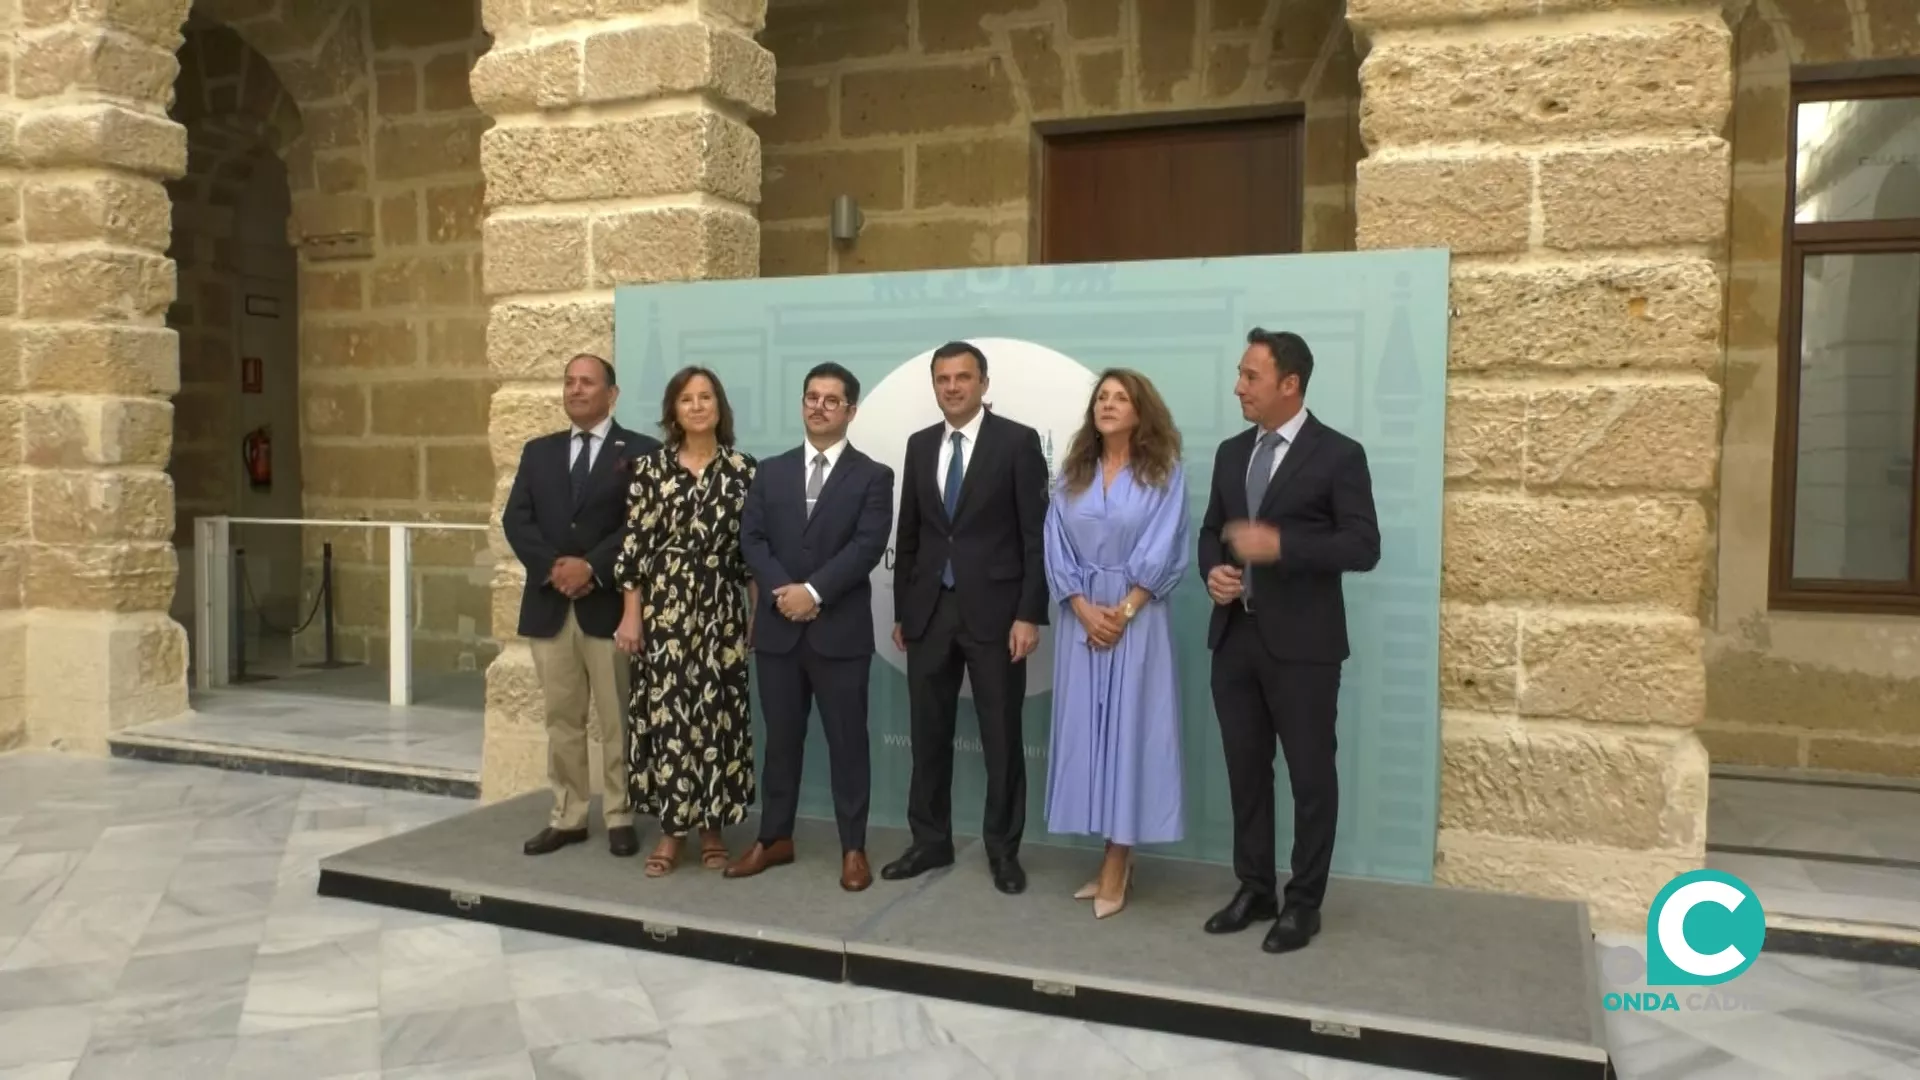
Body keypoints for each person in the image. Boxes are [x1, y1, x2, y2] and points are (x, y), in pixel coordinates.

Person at [1198, 328, 1379, 954]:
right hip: (1235, 640)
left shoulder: (1338, 455)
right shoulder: (1229, 454)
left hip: (1304, 648)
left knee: (1309, 779)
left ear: (1289, 384)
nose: (1238, 387)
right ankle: (1255, 889)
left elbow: (1363, 546)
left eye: (1251, 376)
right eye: (1240, 374)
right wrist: (1213, 573)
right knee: (1245, 775)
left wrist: (1282, 547)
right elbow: (1211, 534)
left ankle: (1303, 904)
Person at [882, 341, 1051, 895]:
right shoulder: (920, 444)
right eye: (942, 379)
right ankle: (930, 841)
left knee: (1001, 737)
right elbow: (909, 536)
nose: (952, 387)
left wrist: (1029, 613)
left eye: (962, 377)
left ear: (983, 383)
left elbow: (1035, 537)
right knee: (927, 733)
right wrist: (907, 609)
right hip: (930, 613)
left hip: (998, 616)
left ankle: (1004, 851)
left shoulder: (1017, 442)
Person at [727, 362, 895, 892]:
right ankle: (774, 838)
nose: (819, 406)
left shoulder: (873, 475)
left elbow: (866, 546)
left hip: (838, 634)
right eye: (811, 397)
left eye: (831, 399)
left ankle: (853, 847)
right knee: (781, 742)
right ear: (802, 404)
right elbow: (751, 540)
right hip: (779, 634)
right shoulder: (769, 472)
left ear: (850, 410)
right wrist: (785, 594)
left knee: (848, 744)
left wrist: (814, 592)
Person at [1042, 369, 1190, 919]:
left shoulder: (1164, 473)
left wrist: (1123, 612)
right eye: (1101, 397)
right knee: (1089, 733)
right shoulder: (1072, 473)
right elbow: (1054, 543)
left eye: (1120, 398)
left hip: (1138, 617)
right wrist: (1082, 608)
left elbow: (1167, 543)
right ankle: (1111, 852)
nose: (1108, 404)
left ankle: (1117, 861)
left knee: (1130, 732)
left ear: (1139, 410)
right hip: (1083, 620)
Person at [501, 354, 658, 859]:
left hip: (608, 606)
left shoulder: (640, 451)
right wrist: (555, 569)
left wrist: (591, 567)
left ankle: (618, 814)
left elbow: (641, 526)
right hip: (550, 607)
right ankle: (567, 815)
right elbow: (517, 520)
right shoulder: (538, 452)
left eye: (587, 383)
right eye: (569, 382)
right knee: (561, 719)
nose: (575, 390)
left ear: (611, 394)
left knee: (616, 719)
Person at [611, 366, 759, 877]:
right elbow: (634, 549)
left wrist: (755, 617)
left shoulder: (745, 471)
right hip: (665, 610)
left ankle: (713, 828)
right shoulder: (650, 470)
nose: (697, 406)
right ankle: (673, 833)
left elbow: (753, 554)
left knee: (717, 717)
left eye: (706, 396)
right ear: (674, 411)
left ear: (720, 406)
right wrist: (632, 618)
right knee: (671, 719)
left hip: (721, 610)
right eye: (686, 399)